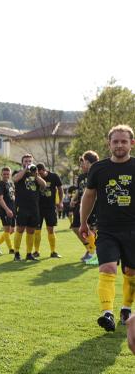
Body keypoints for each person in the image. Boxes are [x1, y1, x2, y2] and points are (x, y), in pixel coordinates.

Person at [79, 124, 135, 332]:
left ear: (132, 143)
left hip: (133, 229)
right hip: (107, 230)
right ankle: (107, 313)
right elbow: (89, 196)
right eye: (115, 141)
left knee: (130, 271)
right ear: (109, 144)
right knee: (108, 268)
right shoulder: (98, 168)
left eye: (124, 141)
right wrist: (83, 222)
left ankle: (126, 309)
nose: (119, 145)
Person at [12, 154, 46, 261]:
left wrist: (36, 175)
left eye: (30, 161)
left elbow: (44, 185)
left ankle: (29, 253)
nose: (28, 162)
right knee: (20, 229)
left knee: (31, 231)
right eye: (26, 161)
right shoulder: (18, 172)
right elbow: (15, 179)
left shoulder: (34, 173)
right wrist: (25, 170)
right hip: (22, 206)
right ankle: (16, 253)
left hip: (34, 207)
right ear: (22, 162)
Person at [73, 151, 100, 262]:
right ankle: (91, 248)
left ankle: (92, 252)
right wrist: (74, 199)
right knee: (75, 227)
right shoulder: (81, 177)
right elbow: (80, 191)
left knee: (94, 229)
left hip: (95, 206)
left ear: (88, 162)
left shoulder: (98, 173)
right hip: (81, 206)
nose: (81, 166)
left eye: (82, 163)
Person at [33, 163, 63, 258]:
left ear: (44, 170)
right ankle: (36, 251)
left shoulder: (54, 176)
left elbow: (60, 189)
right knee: (37, 230)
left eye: (41, 173)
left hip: (50, 207)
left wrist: (60, 201)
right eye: (38, 174)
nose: (40, 176)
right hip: (38, 207)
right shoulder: (35, 177)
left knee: (51, 229)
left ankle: (53, 251)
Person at [0, 167, 16, 254]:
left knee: (12, 230)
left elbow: (12, 196)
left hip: (12, 209)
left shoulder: (10, 184)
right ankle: (11, 249)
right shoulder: (0, 185)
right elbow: (0, 199)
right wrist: (7, 210)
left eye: (8, 174)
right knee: (7, 230)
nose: (6, 175)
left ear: (10, 174)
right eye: (4, 174)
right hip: (5, 210)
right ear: (1, 174)